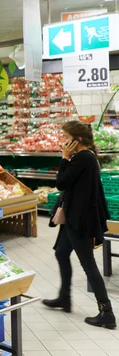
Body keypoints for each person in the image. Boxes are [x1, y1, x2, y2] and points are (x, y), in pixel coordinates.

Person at [43, 121, 115, 329]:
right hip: (74, 216)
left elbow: (61, 183)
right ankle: (64, 297)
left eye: (66, 138)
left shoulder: (82, 159)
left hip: (79, 219)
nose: (64, 142)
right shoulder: (87, 157)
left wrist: (64, 159)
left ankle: (107, 313)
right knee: (61, 253)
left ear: (78, 140)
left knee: (89, 265)